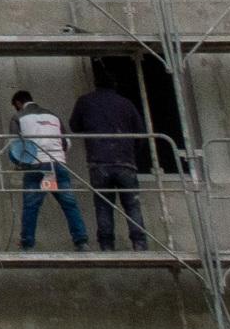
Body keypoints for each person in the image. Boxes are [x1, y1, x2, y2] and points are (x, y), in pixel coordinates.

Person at [69, 77, 152, 251]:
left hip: (99, 162)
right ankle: (139, 244)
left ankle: (106, 246)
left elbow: (74, 126)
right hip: (125, 162)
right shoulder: (126, 104)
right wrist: (131, 154)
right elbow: (140, 133)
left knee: (103, 205)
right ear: (115, 86)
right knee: (132, 204)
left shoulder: (85, 101)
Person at [8, 91, 87, 251]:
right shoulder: (53, 116)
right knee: (68, 203)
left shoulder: (19, 117)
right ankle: (81, 241)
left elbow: (15, 146)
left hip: (36, 167)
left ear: (17, 103)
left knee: (31, 205)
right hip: (56, 165)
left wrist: (19, 164)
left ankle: (27, 244)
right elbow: (66, 142)